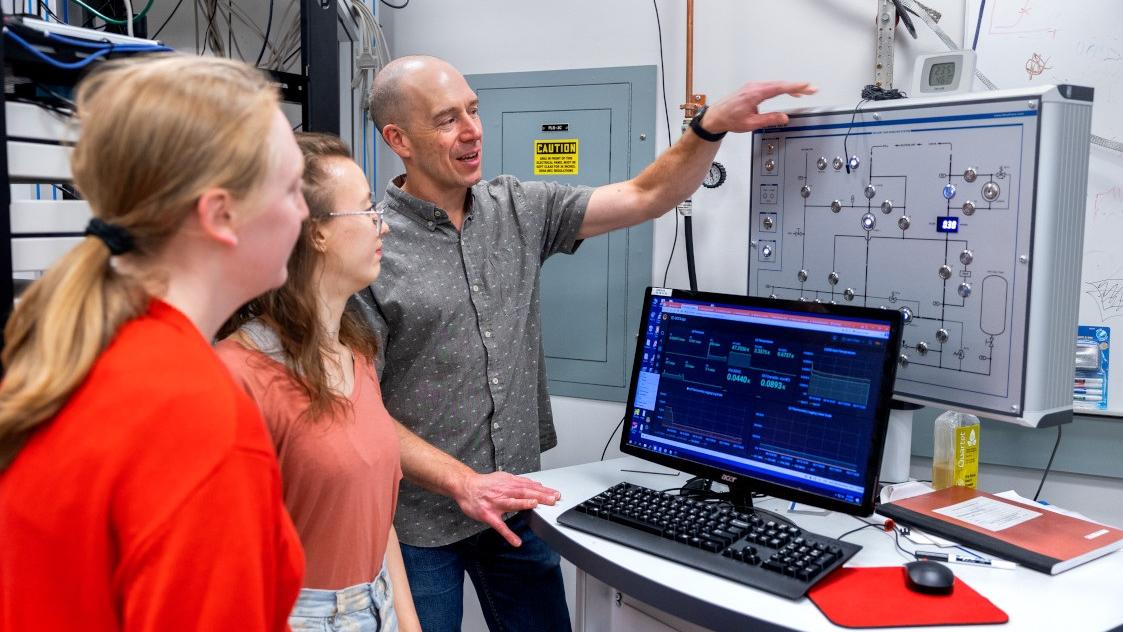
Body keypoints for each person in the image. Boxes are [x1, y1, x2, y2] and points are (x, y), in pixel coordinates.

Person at [362, 54, 814, 631]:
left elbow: (648, 194)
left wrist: (710, 127)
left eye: (474, 110)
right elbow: (357, 408)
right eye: (447, 118)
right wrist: (463, 482)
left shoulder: (517, 209)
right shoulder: (371, 246)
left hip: (518, 503)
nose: (473, 129)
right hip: (419, 524)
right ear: (398, 138)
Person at [0, 56, 308, 630]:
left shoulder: (77, 354)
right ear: (220, 214)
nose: (304, 212)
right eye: (292, 189)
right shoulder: (198, 420)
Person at [216, 133, 420, 632]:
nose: (384, 225)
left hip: (379, 602)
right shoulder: (238, 375)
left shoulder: (357, 349)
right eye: (368, 210)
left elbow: (375, 519)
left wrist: (408, 623)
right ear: (316, 233)